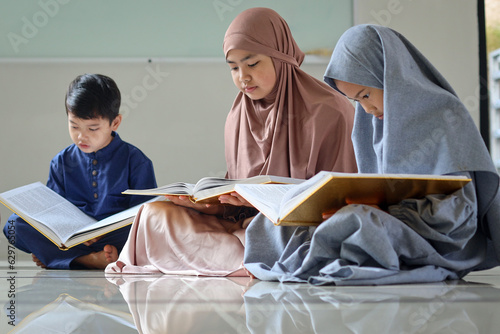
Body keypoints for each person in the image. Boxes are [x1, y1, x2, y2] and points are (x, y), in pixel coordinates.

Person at [105, 7, 357, 276]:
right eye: (234, 67)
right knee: (153, 215)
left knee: (278, 237)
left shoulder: (330, 111)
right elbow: (235, 204)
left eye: (252, 64)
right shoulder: (239, 115)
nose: (242, 77)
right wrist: (208, 204)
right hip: (245, 230)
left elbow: (341, 205)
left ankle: (235, 259)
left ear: (280, 56)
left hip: (295, 230)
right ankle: (242, 260)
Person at [243, 24, 500, 285]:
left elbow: (461, 214)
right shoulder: (372, 124)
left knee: (354, 223)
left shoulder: (445, 115)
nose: (366, 109)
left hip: (436, 237)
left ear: (392, 76)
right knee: (272, 224)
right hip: (380, 219)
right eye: (356, 100)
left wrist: (393, 212)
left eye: (366, 94)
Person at [3, 73, 157, 269]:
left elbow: (146, 215)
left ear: (115, 123)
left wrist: (102, 229)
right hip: (74, 239)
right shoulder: (61, 161)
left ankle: (59, 259)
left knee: (152, 227)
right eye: (74, 126)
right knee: (14, 225)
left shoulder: (135, 161)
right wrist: (69, 231)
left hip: (117, 237)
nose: (81, 136)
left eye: (93, 129)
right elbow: (52, 213)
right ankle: (87, 260)